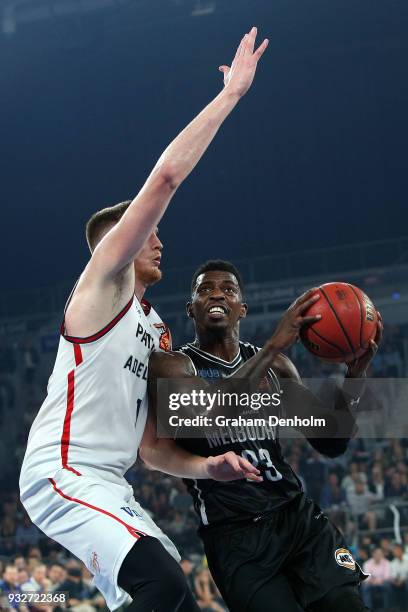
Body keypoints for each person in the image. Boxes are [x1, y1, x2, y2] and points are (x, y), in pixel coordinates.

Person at [19, 29, 269, 612]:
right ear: (119, 243)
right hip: (63, 470)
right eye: (147, 231)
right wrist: (231, 95)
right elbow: (164, 181)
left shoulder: (155, 331)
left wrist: (208, 466)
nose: (160, 239)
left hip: (111, 481)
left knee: (173, 593)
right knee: (160, 583)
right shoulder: (101, 287)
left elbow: (152, 448)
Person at [147, 260, 383, 612]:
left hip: (296, 518)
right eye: (205, 289)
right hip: (235, 535)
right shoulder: (172, 365)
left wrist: (355, 376)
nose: (216, 294)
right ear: (190, 308)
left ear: (241, 309)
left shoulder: (276, 367)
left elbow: (331, 443)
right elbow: (212, 418)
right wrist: (272, 347)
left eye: (228, 289)